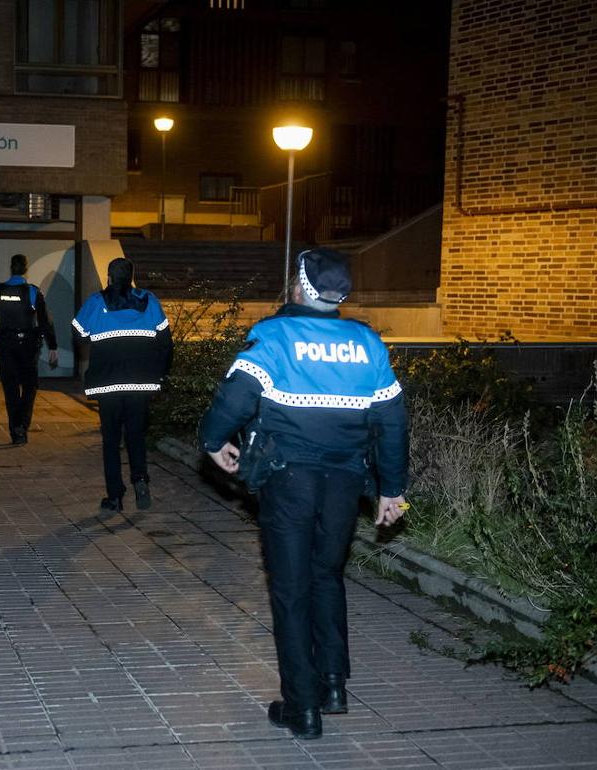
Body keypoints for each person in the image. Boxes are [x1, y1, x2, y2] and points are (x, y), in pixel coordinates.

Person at [199, 247, 409, 740]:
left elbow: (234, 397)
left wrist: (213, 442)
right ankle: (333, 684)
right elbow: (393, 422)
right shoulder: (368, 343)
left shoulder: (274, 335)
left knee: (291, 590)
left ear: (298, 288)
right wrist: (391, 490)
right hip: (345, 482)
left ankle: (302, 707)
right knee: (327, 575)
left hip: (289, 478)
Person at [72, 258, 173, 512]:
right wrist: (160, 374)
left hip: (108, 385)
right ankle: (140, 480)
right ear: (131, 277)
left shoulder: (97, 302)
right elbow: (166, 342)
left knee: (111, 441)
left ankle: (115, 497)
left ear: (108, 277)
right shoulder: (149, 300)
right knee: (136, 436)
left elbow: (78, 335)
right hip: (140, 384)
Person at [0, 253, 59, 445]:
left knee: (10, 388)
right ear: (25, 269)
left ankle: (15, 430)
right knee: (30, 386)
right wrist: (53, 346)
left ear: (11, 268)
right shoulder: (33, 292)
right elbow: (45, 321)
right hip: (28, 346)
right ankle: (22, 425)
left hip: (6, 345)